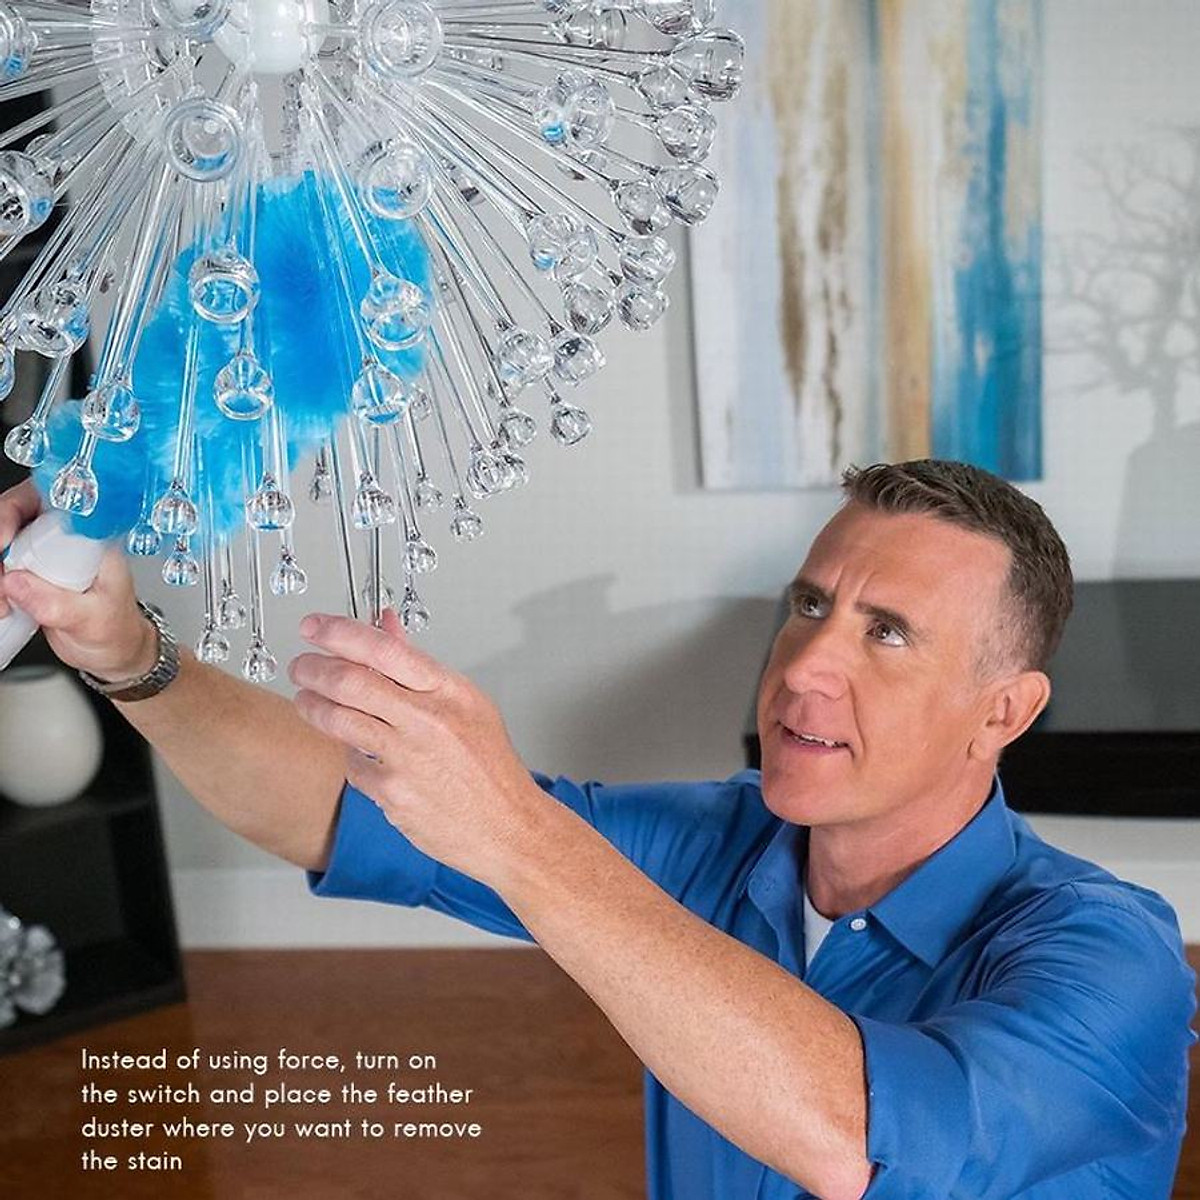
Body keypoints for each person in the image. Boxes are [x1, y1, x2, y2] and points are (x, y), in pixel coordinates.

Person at [0, 459, 1194, 1199]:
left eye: (887, 633)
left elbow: (854, 1139)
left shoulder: (1113, 961)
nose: (803, 666)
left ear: (1004, 711)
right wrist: (128, 657)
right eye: (810, 605)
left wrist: (517, 831)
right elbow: (337, 812)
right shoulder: (721, 847)